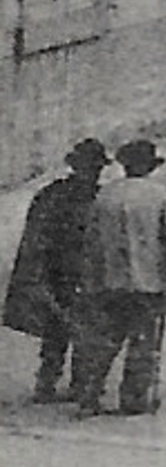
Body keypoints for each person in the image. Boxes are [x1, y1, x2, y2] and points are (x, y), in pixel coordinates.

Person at [76, 139, 166, 417]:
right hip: (149, 282)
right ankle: (135, 399)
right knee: (144, 342)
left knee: (107, 338)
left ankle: (90, 393)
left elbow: (90, 240)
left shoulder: (105, 196)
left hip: (110, 280)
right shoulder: (160, 195)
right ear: (149, 167)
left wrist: (91, 277)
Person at [3, 138, 109, 403]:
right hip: (69, 270)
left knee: (64, 327)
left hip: (66, 270)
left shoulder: (56, 193)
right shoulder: (85, 196)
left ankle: (57, 382)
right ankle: (63, 383)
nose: (93, 172)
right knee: (71, 326)